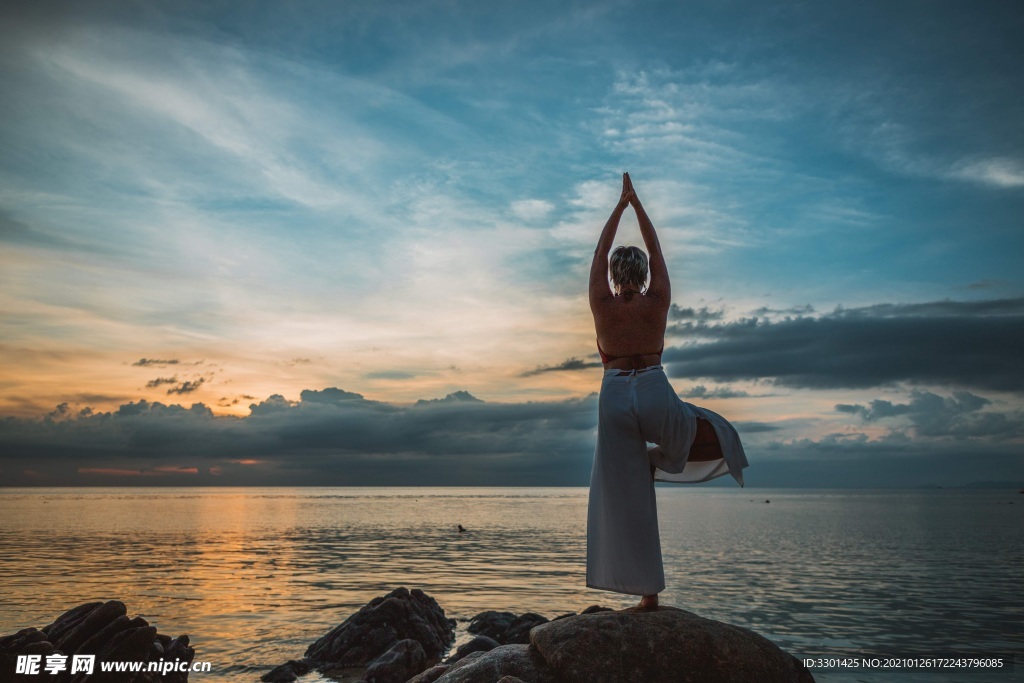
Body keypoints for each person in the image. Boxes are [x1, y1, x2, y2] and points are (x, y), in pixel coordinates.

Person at [586, 172, 748, 610]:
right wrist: (637, 206)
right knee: (689, 436)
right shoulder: (657, 301)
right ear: (641, 274)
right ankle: (663, 462)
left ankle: (646, 592)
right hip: (654, 388)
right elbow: (656, 251)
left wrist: (617, 207)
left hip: (615, 392)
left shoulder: (601, 304)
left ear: (615, 275)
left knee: (625, 490)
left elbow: (599, 254)